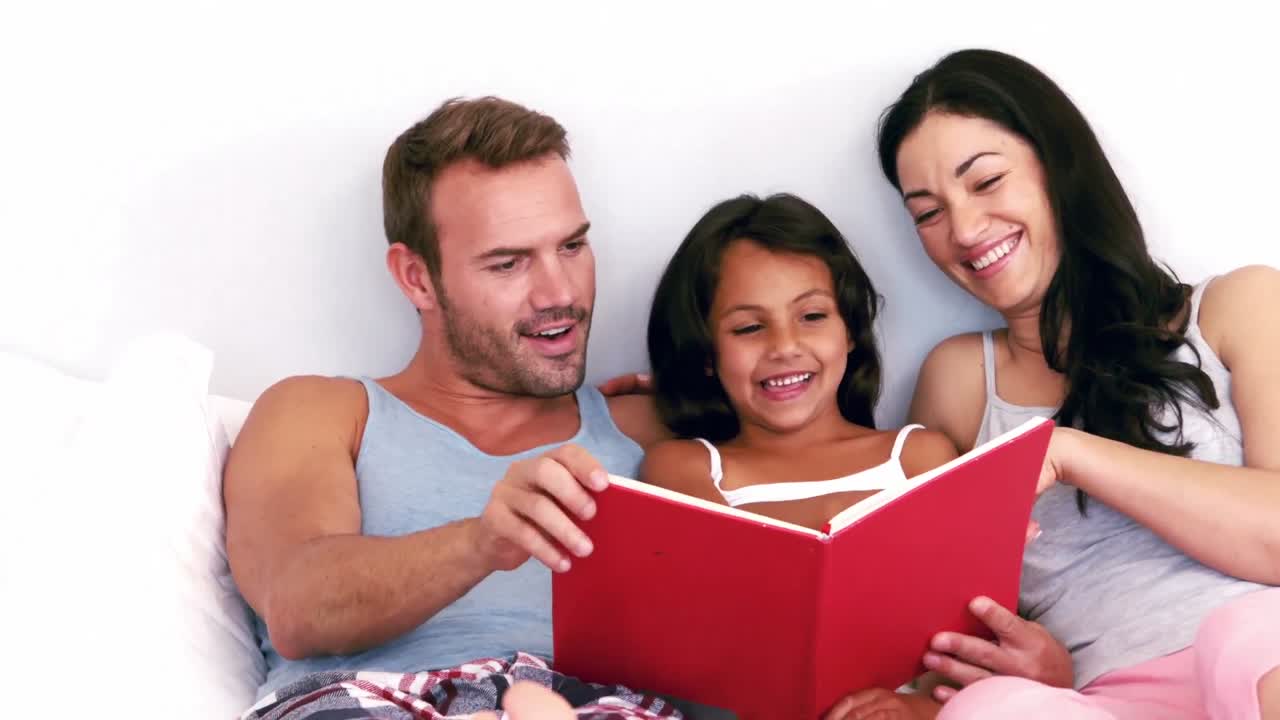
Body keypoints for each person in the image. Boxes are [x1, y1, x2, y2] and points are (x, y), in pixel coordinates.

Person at [223, 95, 678, 719]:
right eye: (509, 263)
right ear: (417, 278)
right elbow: (297, 609)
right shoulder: (322, 413)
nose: (560, 293)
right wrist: (481, 542)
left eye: (571, 247)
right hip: (374, 700)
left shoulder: (646, 430)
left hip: (585, 705)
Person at [869, 48, 1280, 720]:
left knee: (1244, 636)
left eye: (986, 181)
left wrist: (1067, 452)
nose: (965, 231)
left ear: (1059, 166)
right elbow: (933, 616)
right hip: (1098, 702)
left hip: (1262, 659)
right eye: (927, 212)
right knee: (990, 708)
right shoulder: (961, 379)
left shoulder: (1239, 306)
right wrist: (1038, 664)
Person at [641, 192, 957, 718]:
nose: (784, 345)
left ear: (849, 330)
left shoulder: (918, 457)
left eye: (811, 315)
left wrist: (917, 711)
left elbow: (964, 646)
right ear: (704, 354)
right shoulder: (686, 468)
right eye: (748, 327)